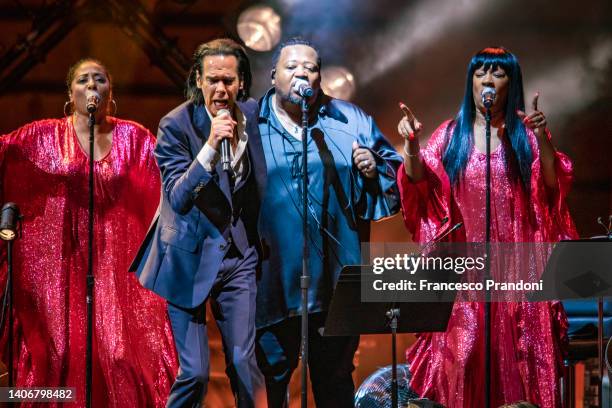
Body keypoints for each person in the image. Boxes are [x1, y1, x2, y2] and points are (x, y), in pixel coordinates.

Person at [396, 47, 577, 407]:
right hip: (465, 276)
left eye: (498, 73)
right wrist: (411, 146)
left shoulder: (524, 138)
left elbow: (552, 191)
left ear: (512, 84)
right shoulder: (450, 135)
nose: (488, 80)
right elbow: (420, 185)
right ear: (471, 82)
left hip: (516, 276)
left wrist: (543, 139)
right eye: (480, 73)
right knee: (463, 363)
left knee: (518, 369)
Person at [0, 58, 178, 407]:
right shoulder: (41, 135)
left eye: (100, 79)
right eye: (83, 79)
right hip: (59, 271)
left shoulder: (136, 138)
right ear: (70, 93)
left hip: (118, 270)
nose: (92, 85)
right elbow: (6, 154)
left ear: (110, 92)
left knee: (119, 355)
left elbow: (168, 183)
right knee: (59, 354)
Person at [255, 37, 402, 407]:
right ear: (273, 76)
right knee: (271, 378)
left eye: (311, 67)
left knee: (334, 378)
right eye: (292, 67)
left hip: (336, 279)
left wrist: (372, 168)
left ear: (321, 77)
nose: (302, 72)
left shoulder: (351, 120)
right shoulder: (250, 123)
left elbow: (393, 175)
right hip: (272, 278)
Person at [130, 38, 266, 408]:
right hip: (187, 256)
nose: (220, 89)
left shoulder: (254, 115)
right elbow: (177, 196)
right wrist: (208, 147)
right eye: (212, 80)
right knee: (195, 374)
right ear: (198, 80)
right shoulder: (175, 124)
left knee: (242, 362)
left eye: (228, 80)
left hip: (238, 255)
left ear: (241, 82)